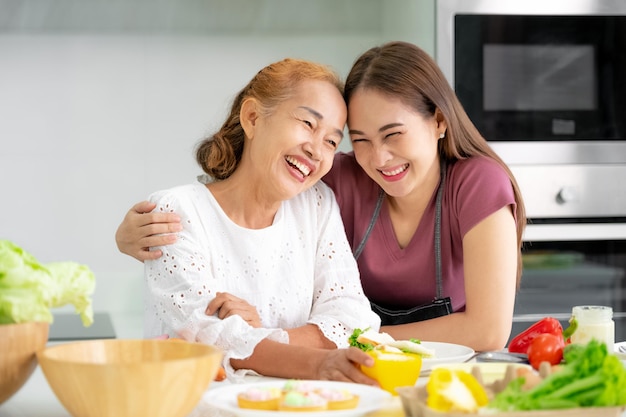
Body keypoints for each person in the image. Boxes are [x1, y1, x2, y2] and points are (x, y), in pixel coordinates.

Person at [117, 41, 526, 352]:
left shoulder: (477, 184)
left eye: (393, 134)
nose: (379, 158)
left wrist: (348, 334)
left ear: (438, 121)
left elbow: (487, 331)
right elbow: (242, 196)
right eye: (360, 139)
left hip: (440, 376)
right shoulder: (338, 177)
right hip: (349, 372)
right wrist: (131, 233)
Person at [138, 57, 381, 383]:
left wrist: (261, 335)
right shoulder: (177, 211)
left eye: (332, 142)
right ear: (253, 118)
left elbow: (352, 318)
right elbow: (206, 338)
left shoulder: (317, 204)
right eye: (308, 124)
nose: (317, 151)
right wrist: (315, 361)